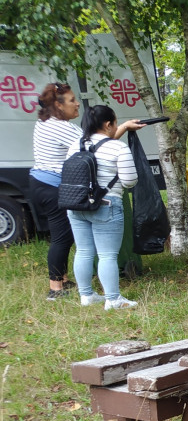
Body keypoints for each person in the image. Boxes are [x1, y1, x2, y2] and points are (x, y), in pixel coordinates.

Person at [66, 105, 144, 310]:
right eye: (116, 123)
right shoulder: (117, 148)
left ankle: (87, 296)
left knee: (83, 251)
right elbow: (129, 181)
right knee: (107, 255)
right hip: (106, 204)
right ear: (109, 124)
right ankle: (113, 299)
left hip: (76, 205)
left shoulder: (75, 145)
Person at [29, 83, 82, 301]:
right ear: (58, 105)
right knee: (61, 237)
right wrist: (123, 128)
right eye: (71, 100)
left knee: (65, 234)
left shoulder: (44, 122)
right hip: (51, 187)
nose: (77, 103)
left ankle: (63, 278)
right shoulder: (62, 127)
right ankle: (55, 290)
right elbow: (95, 144)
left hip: (40, 183)